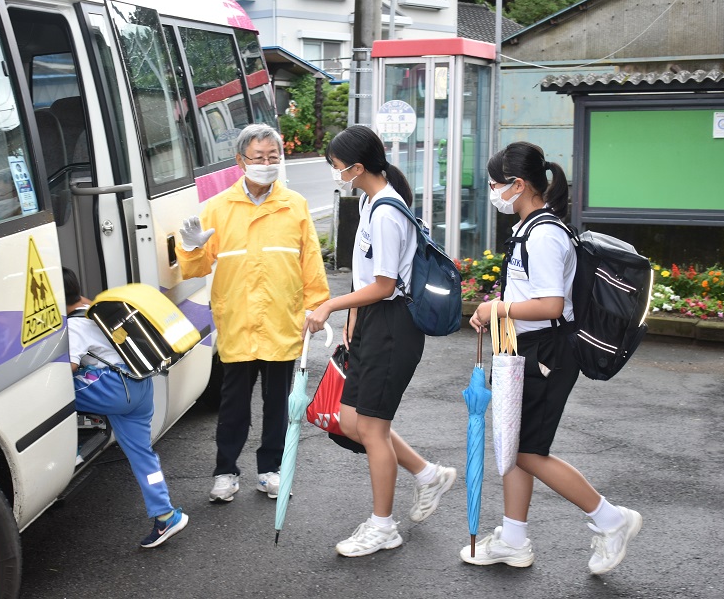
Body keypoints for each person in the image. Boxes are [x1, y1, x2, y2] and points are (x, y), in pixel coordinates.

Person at [462, 142, 642, 574]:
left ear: (518, 185)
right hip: (527, 347)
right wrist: (501, 305)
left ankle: (611, 520)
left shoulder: (544, 234)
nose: (492, 193)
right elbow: (532, 294)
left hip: (548, 351)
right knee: (514, 445)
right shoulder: (532, 227)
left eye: (494, 186)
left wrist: (495, 309)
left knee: (528, 451)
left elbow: (550, 305)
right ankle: (513, 538)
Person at [303, 125, 457, 558]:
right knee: (353, 422)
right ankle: (428, 474)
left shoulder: (387, 210)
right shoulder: (372, 201)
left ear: (357, 167)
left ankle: (383, 526)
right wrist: (353, 319)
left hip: (393, 325)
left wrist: (331, 305)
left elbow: (386, 285)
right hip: (373, 322)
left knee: (370, 428)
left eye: (337, 167)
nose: (335, 173)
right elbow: (365, 275)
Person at [177, 123, 330, 503]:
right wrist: (193, 248)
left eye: (272, 157)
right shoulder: (217, 208)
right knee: (233, 405)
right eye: (258, 157)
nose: (266, 163)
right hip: (239, 320)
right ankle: (225, 471)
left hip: (282, 319)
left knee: (278, 404)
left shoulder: (294, 204)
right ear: (240, 161)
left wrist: (319, 307)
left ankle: (271, 469)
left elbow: (310, 259)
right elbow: (195, 270)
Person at [63, 267, 188, 548]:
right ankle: (166, 515)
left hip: (116, 390)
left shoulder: (72, 325)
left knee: (55, 394)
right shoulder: (94, 308)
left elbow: (68, 367)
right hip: (141, 384)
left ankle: (69, 449)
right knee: (142, 454)